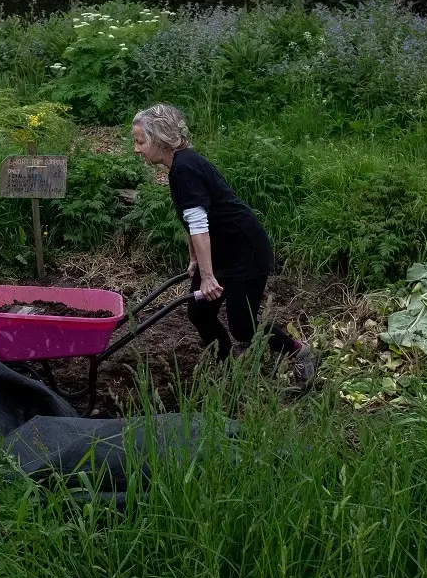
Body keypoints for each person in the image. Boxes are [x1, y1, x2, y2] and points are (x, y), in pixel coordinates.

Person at [131, 104, 320, 388]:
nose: (137, 149)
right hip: (220, 249)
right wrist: (195, 258)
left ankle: (301, 352)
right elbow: (193, 218)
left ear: (160, 140)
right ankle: (227, 370)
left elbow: (198, 224)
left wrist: (207, 276)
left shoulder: (185, 169)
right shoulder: (180, 165)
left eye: (140, 141)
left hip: (245, 250)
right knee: (199, 312)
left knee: (243, 326)